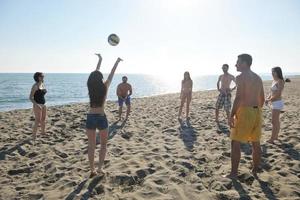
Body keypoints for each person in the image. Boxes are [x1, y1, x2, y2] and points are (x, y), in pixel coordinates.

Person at [228, 54, 265, 178]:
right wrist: (256, 109)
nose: (235, 64)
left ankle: (233, 173)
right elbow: (262, 99)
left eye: (237, 62)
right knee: (256, 142)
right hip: (257, 112)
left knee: (235, 142)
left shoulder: (241, 77)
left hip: (245, 111)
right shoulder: (258, 78)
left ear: (244, 63)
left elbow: (239, 97)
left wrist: (232, 114)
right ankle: (255, 170)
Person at [86, 53, 123, 177]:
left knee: (91, 146)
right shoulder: (105, 86)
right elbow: (112, 73)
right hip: (101, 117)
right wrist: (117, 62)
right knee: (103, 145)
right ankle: (100, 168)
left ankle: (92, 170)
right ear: (101, 78)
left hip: (90, 117)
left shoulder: (90, 86)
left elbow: (95, 74)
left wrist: (100, 60)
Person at [265, 67, 284, 144]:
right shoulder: (274, 80)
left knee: (274, 121)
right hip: (273, 102)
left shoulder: (280, 81)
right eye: (272, 72)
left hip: (277, 103)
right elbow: (271, 92)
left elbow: (278, 94)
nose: (272, 73)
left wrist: (269, 100)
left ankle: (272, 139)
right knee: (276, 121)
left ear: (278, 72)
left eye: (274, 72)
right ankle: (275, 136)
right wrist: (268, 98)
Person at [29, 72, 47, 140]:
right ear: (37, 77)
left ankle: (43, 133)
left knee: (43, 119)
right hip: (37, 105)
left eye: (43, 76)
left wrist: (43, 104)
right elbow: (30, 97)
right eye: (41, 76)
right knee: (37, 120)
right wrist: (36, 105)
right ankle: (34, 136)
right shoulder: (35, 86)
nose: (42, 77)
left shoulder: (42, 84)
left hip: (44, 104)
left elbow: (41, 95)